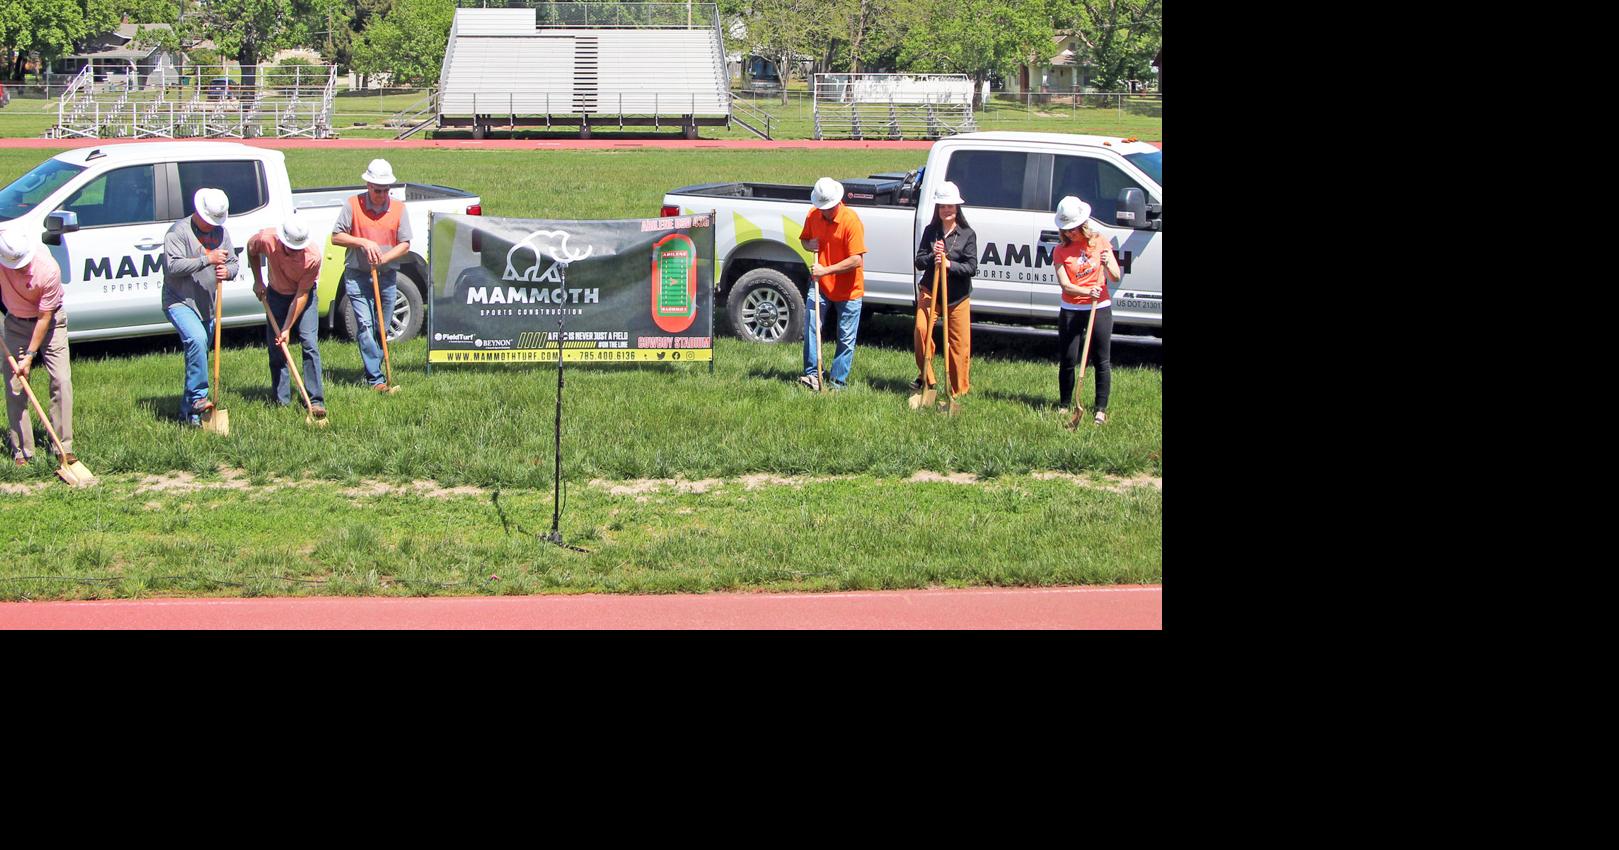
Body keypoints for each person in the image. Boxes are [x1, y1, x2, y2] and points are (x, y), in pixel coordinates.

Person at [330, 158, 412, 392]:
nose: (381, 194)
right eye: (377, 190)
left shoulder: (398, 208)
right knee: (365, 325)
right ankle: (375, 378)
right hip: (357, 274)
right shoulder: (352, 205)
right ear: (368, 185)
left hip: (386, 275)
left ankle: (376, 366)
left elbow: (405, 243)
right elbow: (336, 236)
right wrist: (362, 242)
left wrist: (385, 259)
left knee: (381, 327)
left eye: (386, 190)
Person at [162, 188, 238, 427]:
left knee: (199, 352)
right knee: (196, 340)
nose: (211, 225)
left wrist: (229, 272)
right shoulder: (177, 232)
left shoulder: (221, 233)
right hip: (180, 300)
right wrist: (208, 259)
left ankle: (189, 415)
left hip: (208, 304)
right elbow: (172, 267)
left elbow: (234, 262)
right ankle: (198, 399)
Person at [0, 228, 75, 465]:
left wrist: (30, 356)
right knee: (15, 385)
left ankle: (63, 447)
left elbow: (44, 318)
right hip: (15, 323)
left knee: (61, 380)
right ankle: (23, 451)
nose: (19, 269)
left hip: (51, 322)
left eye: (22, 264)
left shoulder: (48, 269)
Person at [247, 212, 325, 418]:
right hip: (275, 295)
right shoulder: (266, 239)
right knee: (276, 347)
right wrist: (258, 280)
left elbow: (301, 295)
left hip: (303, 298)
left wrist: (287, 328)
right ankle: (282, 400)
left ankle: (315, 400)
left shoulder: (313, 257)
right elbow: (250, 249)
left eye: (298, 248)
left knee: (310, 343)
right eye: (291, 248)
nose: (295, 251)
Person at [1052, 195, 1121, 425]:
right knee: (1068, 358)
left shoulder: (1100, 241)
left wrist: (1108, 261)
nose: (1070, 233)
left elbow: (1115, 276)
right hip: (1071, 308)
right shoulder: (1060, 250)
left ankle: (1100, 409)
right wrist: (1085, 290)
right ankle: (1064, 404)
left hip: (1099, 307)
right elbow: (1065, 285)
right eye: (1067, 229)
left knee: (1102, 359)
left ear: (1083, 223)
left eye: (1073, 228)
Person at [797, 177, 867, 391]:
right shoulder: (813, 215)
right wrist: (809, 244)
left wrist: (826, 270)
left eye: (828, 208)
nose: (825, 211)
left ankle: (838, 381)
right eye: (822, 208)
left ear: (838, 201)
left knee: (845, 337)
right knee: (811, 327)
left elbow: (857, 259)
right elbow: (804, 240)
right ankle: (812, 375)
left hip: (849, 289)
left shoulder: (850, 221)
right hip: (821, 286)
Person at [911, 181, 976, 399]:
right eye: (942, 206)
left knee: (959, 344)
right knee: (921, 330)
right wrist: (932, 256)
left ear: (957, 208)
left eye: (950, 206)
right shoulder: (931, 232)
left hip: (957, 296)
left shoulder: (967, 234)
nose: (946, 210)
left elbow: (971, 267)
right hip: (931, 291)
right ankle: (927, 380)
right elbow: (919, 261)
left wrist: (949, 264)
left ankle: (958, 391)